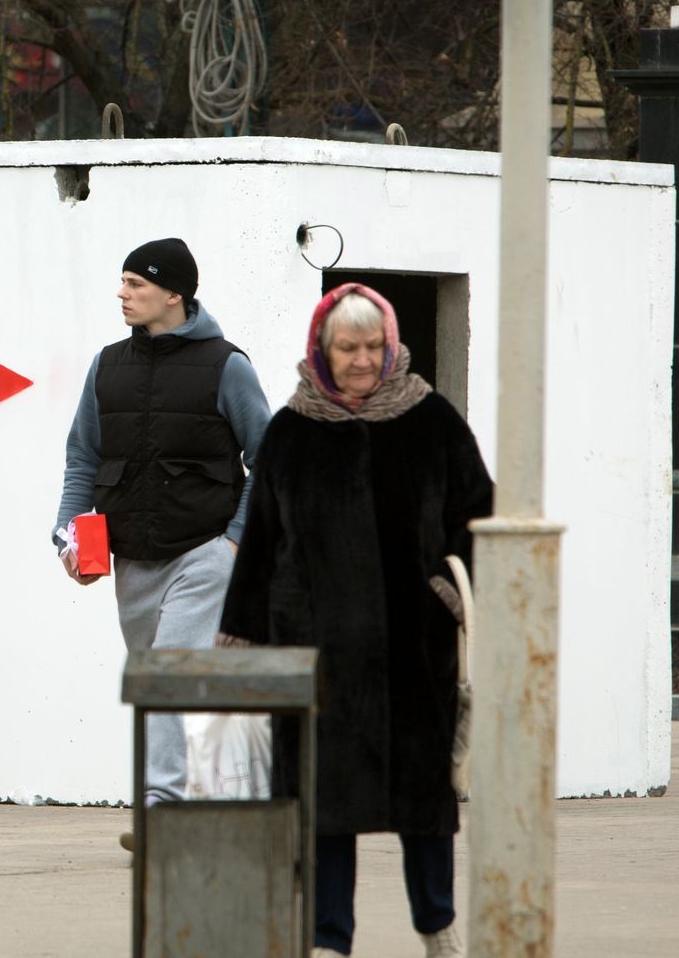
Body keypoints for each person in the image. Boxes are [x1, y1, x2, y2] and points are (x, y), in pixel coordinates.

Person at [217, 283, 493, 958]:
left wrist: (451, 592)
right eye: (349, 347)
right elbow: (259, 547)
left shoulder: (433, 421)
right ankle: (327, 939)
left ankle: (437, 927)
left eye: (374, 346)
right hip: (317, 654)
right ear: (322, 348)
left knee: (426, 807)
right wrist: (243, 644)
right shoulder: (291, 430)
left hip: (414, 651)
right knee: (323, 805)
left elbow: (481, 515)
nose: (364, 360)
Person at [52, 237, 272, 837]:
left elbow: (273, 458)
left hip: (204, 550)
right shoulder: (106, 365)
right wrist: (69, 534)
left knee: (171, 671)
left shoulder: (227, 365)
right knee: (156, 680)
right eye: (122, 282)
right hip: (132, 557)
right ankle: (232, 795)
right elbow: (82, 457)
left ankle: (162, 804)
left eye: (135, 284)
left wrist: (233, 540)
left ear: (174, 294)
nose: (121, 294)